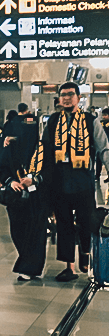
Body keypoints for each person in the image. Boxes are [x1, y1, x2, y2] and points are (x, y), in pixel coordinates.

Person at [38, 82, 109, 281]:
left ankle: (85, 255)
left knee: (86, 221)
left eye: (70, 94)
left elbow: (104, 148)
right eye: (63, 95)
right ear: (59, 99)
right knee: (64, 225)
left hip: (83, 181)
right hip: (59, 181)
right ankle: (70, 267)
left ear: (78, 97)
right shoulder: (52, 121)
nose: (66, 98)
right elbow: (43, 149)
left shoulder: (90, 120)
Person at [0, 110, 46, 280]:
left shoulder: (44, 147)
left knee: (36, 232)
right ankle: (27, 262)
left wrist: (36, 180)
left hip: (38, 196)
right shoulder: (10, 147)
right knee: (17, 231)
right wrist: (11, 181)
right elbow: (2, 170)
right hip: (16, 196)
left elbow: (51, 171)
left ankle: (30, 267)